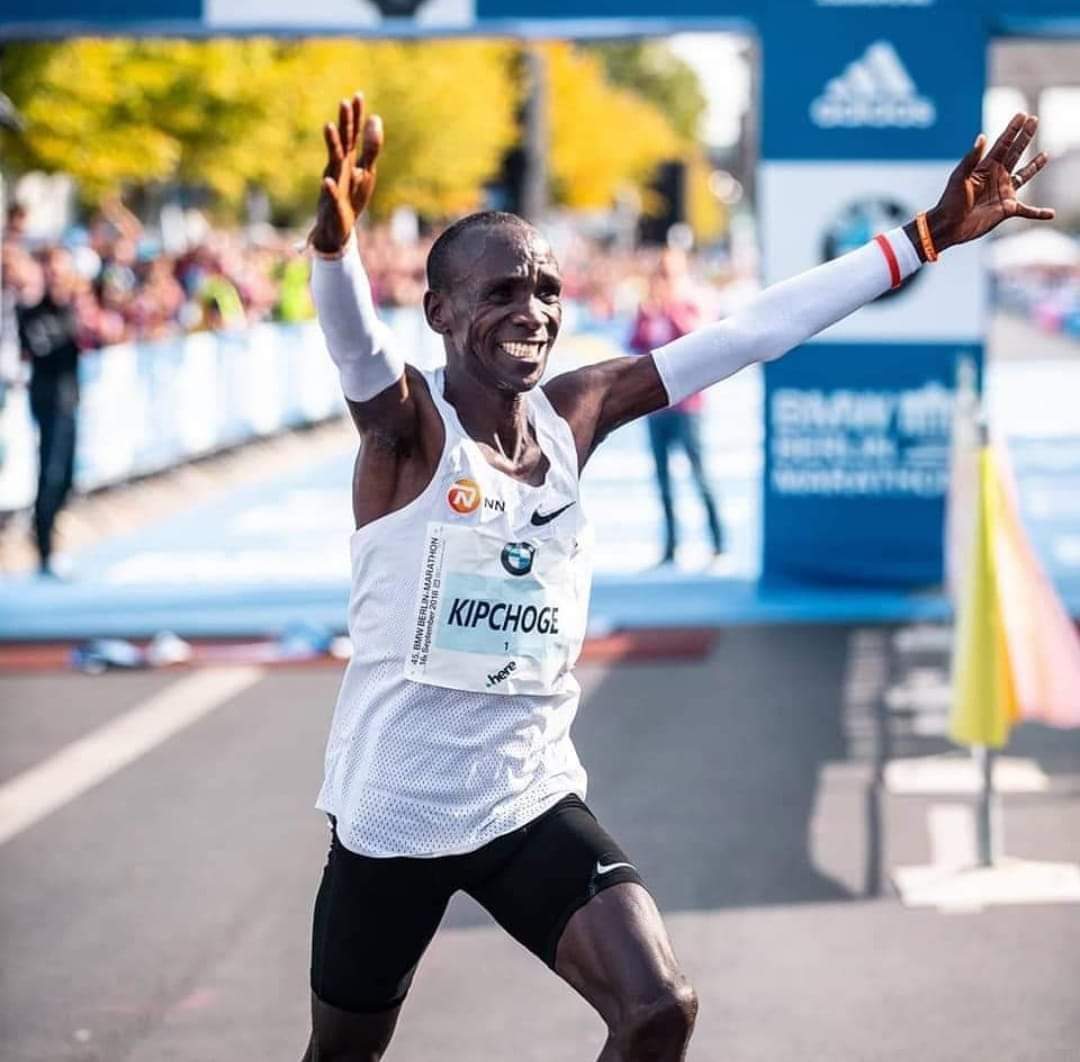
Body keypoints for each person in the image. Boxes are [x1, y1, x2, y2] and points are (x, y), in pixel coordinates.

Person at [302, 96, 1051, 1061]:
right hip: (394, 813)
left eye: (545, 289)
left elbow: (748, 334)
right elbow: (355, 351)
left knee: (659, 1010)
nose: (530, 310)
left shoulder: (576, 413)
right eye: (499, 293)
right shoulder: (408, 432)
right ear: (440, 313)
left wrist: (926, 238)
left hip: (523, 798)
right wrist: (332, 255)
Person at [628, 249, 723, 565]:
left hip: (687, 406)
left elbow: (697, 339)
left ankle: (717, 541)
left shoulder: (690, 303)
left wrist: (669, 310)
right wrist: (648, 316)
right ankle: (670, 546)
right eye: (661, 274)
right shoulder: (647, 310)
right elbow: (634, 347)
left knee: (699, 474)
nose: (664, 281)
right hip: (655, 406)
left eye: (670, 274)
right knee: (662, 479)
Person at [16, 247, 87, 576]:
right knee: (51, 473)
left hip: (70, 400)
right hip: (47, 401)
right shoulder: (31, 312)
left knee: (68, 477)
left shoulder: (72, 308)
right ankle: (44, 546)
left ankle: (49, 529)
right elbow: (44, 349)